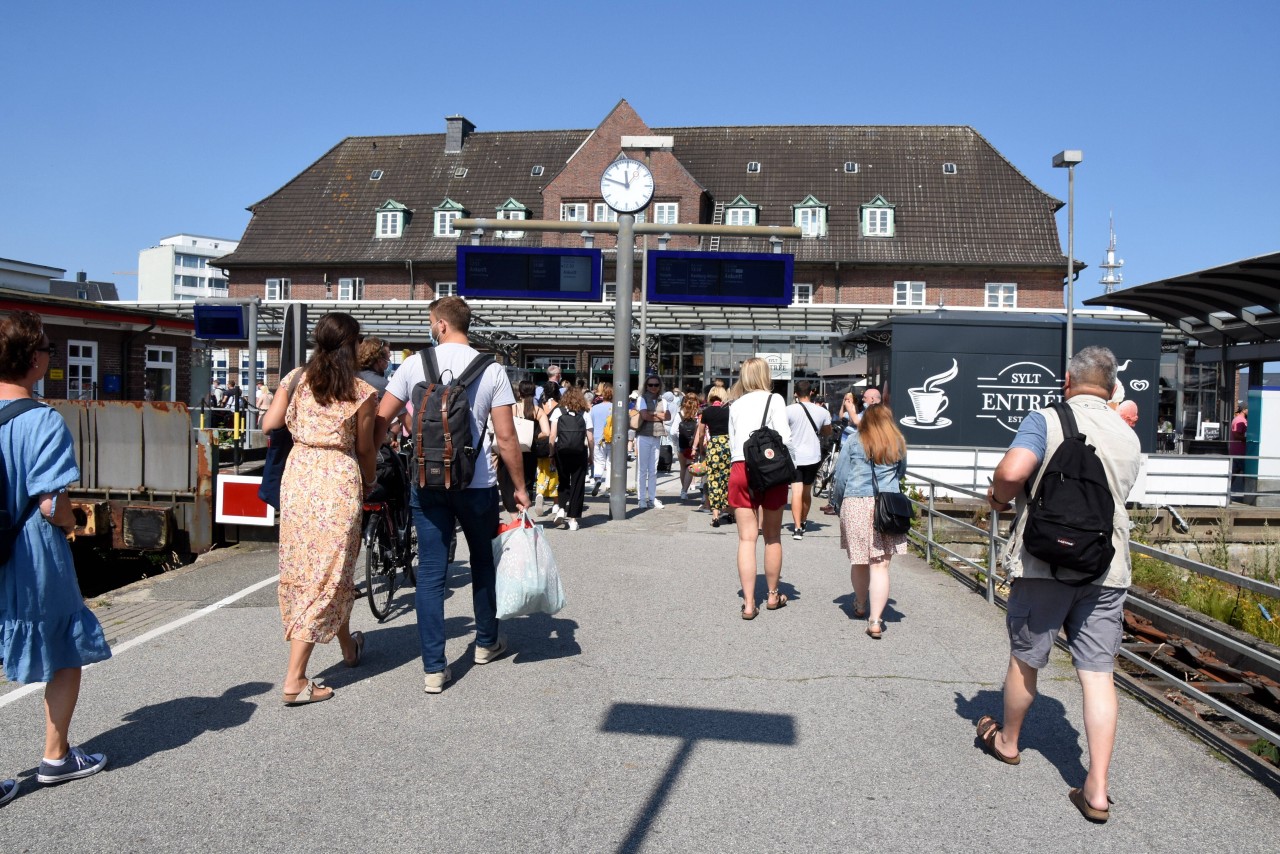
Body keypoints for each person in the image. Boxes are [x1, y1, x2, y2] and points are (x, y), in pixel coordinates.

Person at [981, 346, 1141, 824]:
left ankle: (1008, 741)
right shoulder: (1128, 435)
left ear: (1065, 383)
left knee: (1026, 659)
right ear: (1113, 390)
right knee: (1097, 674)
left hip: (1044, 562)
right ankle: (1096, 787)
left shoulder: (1046, 418)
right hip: (1106, 568)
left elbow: (1012, 473)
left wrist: (998, 498)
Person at [376, 296, 528, 693]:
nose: (430, 328)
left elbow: (382, 417)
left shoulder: (413, 364)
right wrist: (520, 487)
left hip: (426, 483)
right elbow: (507, 438)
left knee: (430, 574)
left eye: (431, 322)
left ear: (441, 324)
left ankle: (433, 668)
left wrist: (368, 461)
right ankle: (485, 642)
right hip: (476, 484)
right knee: (482, 562)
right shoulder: (491, 369)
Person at [0, 311, 112, 798]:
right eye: (46, 349)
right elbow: (51, 502)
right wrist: (70, 522)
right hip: (28, 552)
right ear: (33, 360)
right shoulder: (42, 420)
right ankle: (56, 756)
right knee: (65, 647)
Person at [261, 312, 377, 705]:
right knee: (328, 570)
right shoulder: (361, 393)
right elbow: (364, 449)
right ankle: (295, 680)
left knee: (315, 566)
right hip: (337, 479)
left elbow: (269, 424)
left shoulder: (296, 379)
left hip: (299, 476)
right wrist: (373, 478)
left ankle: (348, 649)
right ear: (352, 345)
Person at [830, 404, 908, 639]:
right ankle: (875, 620)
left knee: (859, 560)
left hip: (856, 503)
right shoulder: (897, 441)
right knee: (881, 565)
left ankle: (861, 603)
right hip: (888, 507)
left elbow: (841, 476)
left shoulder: (854, 441)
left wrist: (837, 502)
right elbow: (901, 473)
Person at [727, 357, 794, 619]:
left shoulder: (736, 404)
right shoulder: (774, 399)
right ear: (766, 375)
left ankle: (748, 603)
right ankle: (773, 595)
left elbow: (735, 441)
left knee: (746, 538)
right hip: (771, 469)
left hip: (741, 468)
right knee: (773, 536)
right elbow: (785, 438)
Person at [786, 380, 832, 539]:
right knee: (806, 492)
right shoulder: (822, 412)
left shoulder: (788, 410)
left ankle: (797, 528)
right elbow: (827, 432)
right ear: (811, 392)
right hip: (813, 456)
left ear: (795, 394)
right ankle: (804, 520)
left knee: (796, 492)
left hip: (794, 457)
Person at [499, 380, 547, 514]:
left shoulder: (512, 408)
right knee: (527, 482)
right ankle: (523, 511)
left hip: (512, 449)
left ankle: (514, 516)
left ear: (519, 393)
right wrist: (533, 436)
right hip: (529, 451)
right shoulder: (538, 411)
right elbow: (546, 432)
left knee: (507, 482)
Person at [550, 385, 593, 530]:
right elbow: (590, 438)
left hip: (561, 451)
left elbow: (552, 435)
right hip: (579, 451)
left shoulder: (558, 411)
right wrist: (591, 454)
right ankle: (573, 519)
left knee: (563, 481)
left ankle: (561, 507)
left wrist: (551, 453)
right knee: (578, 484)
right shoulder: (585, 413)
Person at [695, 385, 732, 527]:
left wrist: (701, 449)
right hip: (728, 446)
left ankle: (715, 517)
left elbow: (702, 432)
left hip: (714, 446)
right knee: (728, 480)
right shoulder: (729, 411)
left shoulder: (706, 412)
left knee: (714, 481)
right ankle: (728, 512)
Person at [635, 375, 669, 509]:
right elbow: (644, 416)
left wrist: (652, 414)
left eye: (656, 385)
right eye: (650, 385)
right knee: (642, 469)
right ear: (646, 386)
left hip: (657, 436)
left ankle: (652, 497)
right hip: (643, 435)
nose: (653, 387)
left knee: (653, 469)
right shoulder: (641, 398)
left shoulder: (663, 400)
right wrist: (658, 415)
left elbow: (668, 416)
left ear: (660, 386)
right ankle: (641, 498)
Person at [535, 382, 562, 516]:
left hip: (540, 444)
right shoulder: (560, 407)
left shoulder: (539, 407)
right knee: (555, 474)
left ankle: (539, 494)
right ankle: (556, 503)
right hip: (554, 444)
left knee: (541, 471)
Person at [673, 392, 702, 500]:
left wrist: (677, 441)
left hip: (682, 444)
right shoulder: (698, 415)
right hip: (693, 445)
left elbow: (673, 431)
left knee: (682, 468)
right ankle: (684, 490)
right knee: (690, 468)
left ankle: (683, 490)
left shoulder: (680, 414)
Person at [589, 385, 613, 496]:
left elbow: (591, 425)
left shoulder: (594, 408)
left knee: (598, 462)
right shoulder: (616, 407)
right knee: (610, 463)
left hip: (598, 439)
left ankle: (597, 478)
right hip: (612, 439)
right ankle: (608, 487)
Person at [1229, 404, 1247, 495]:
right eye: (1248, 409)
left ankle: (1225, 493)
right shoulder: (1240, 420)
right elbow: (1236, 435)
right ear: (1244, 410)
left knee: (1233, 475)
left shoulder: (1239, 419)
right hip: (1239, 452)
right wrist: (1247, 439)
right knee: (1245, 474)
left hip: (1237, 451)